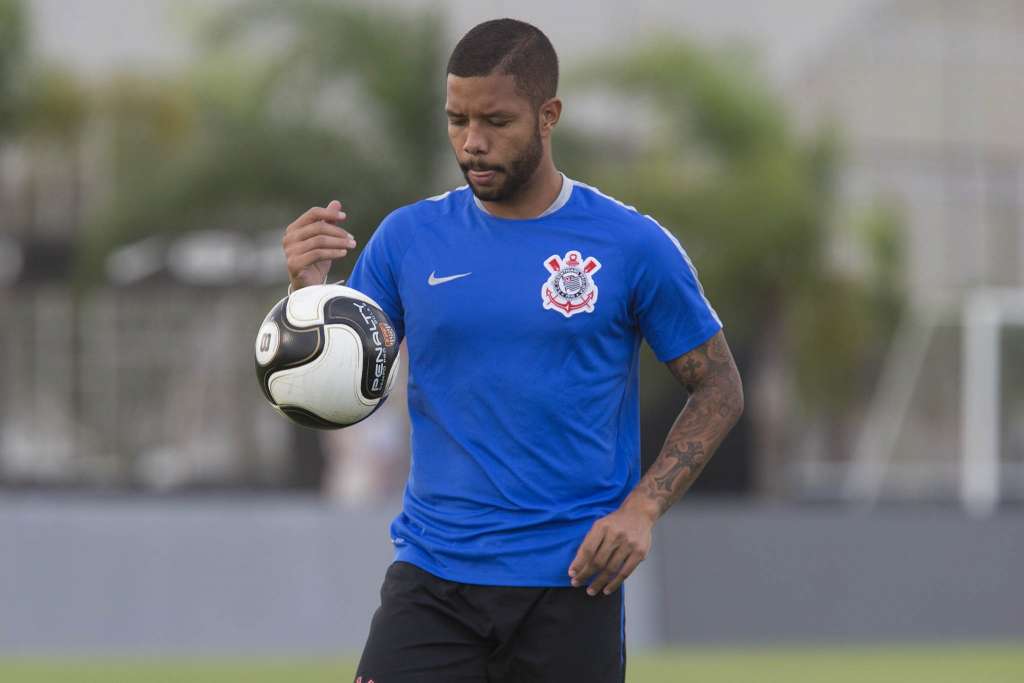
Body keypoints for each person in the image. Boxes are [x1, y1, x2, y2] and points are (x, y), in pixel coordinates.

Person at [282, 18, 743, 683]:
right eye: (457, 120)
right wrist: (308, 293)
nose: (472, 142)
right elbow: (344, 383)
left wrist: (642, 510)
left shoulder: (631, 245)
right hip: (434, 580)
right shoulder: (407, 239)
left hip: (572, 583)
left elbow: (720, 386)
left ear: (548, 115)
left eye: (496, 121)